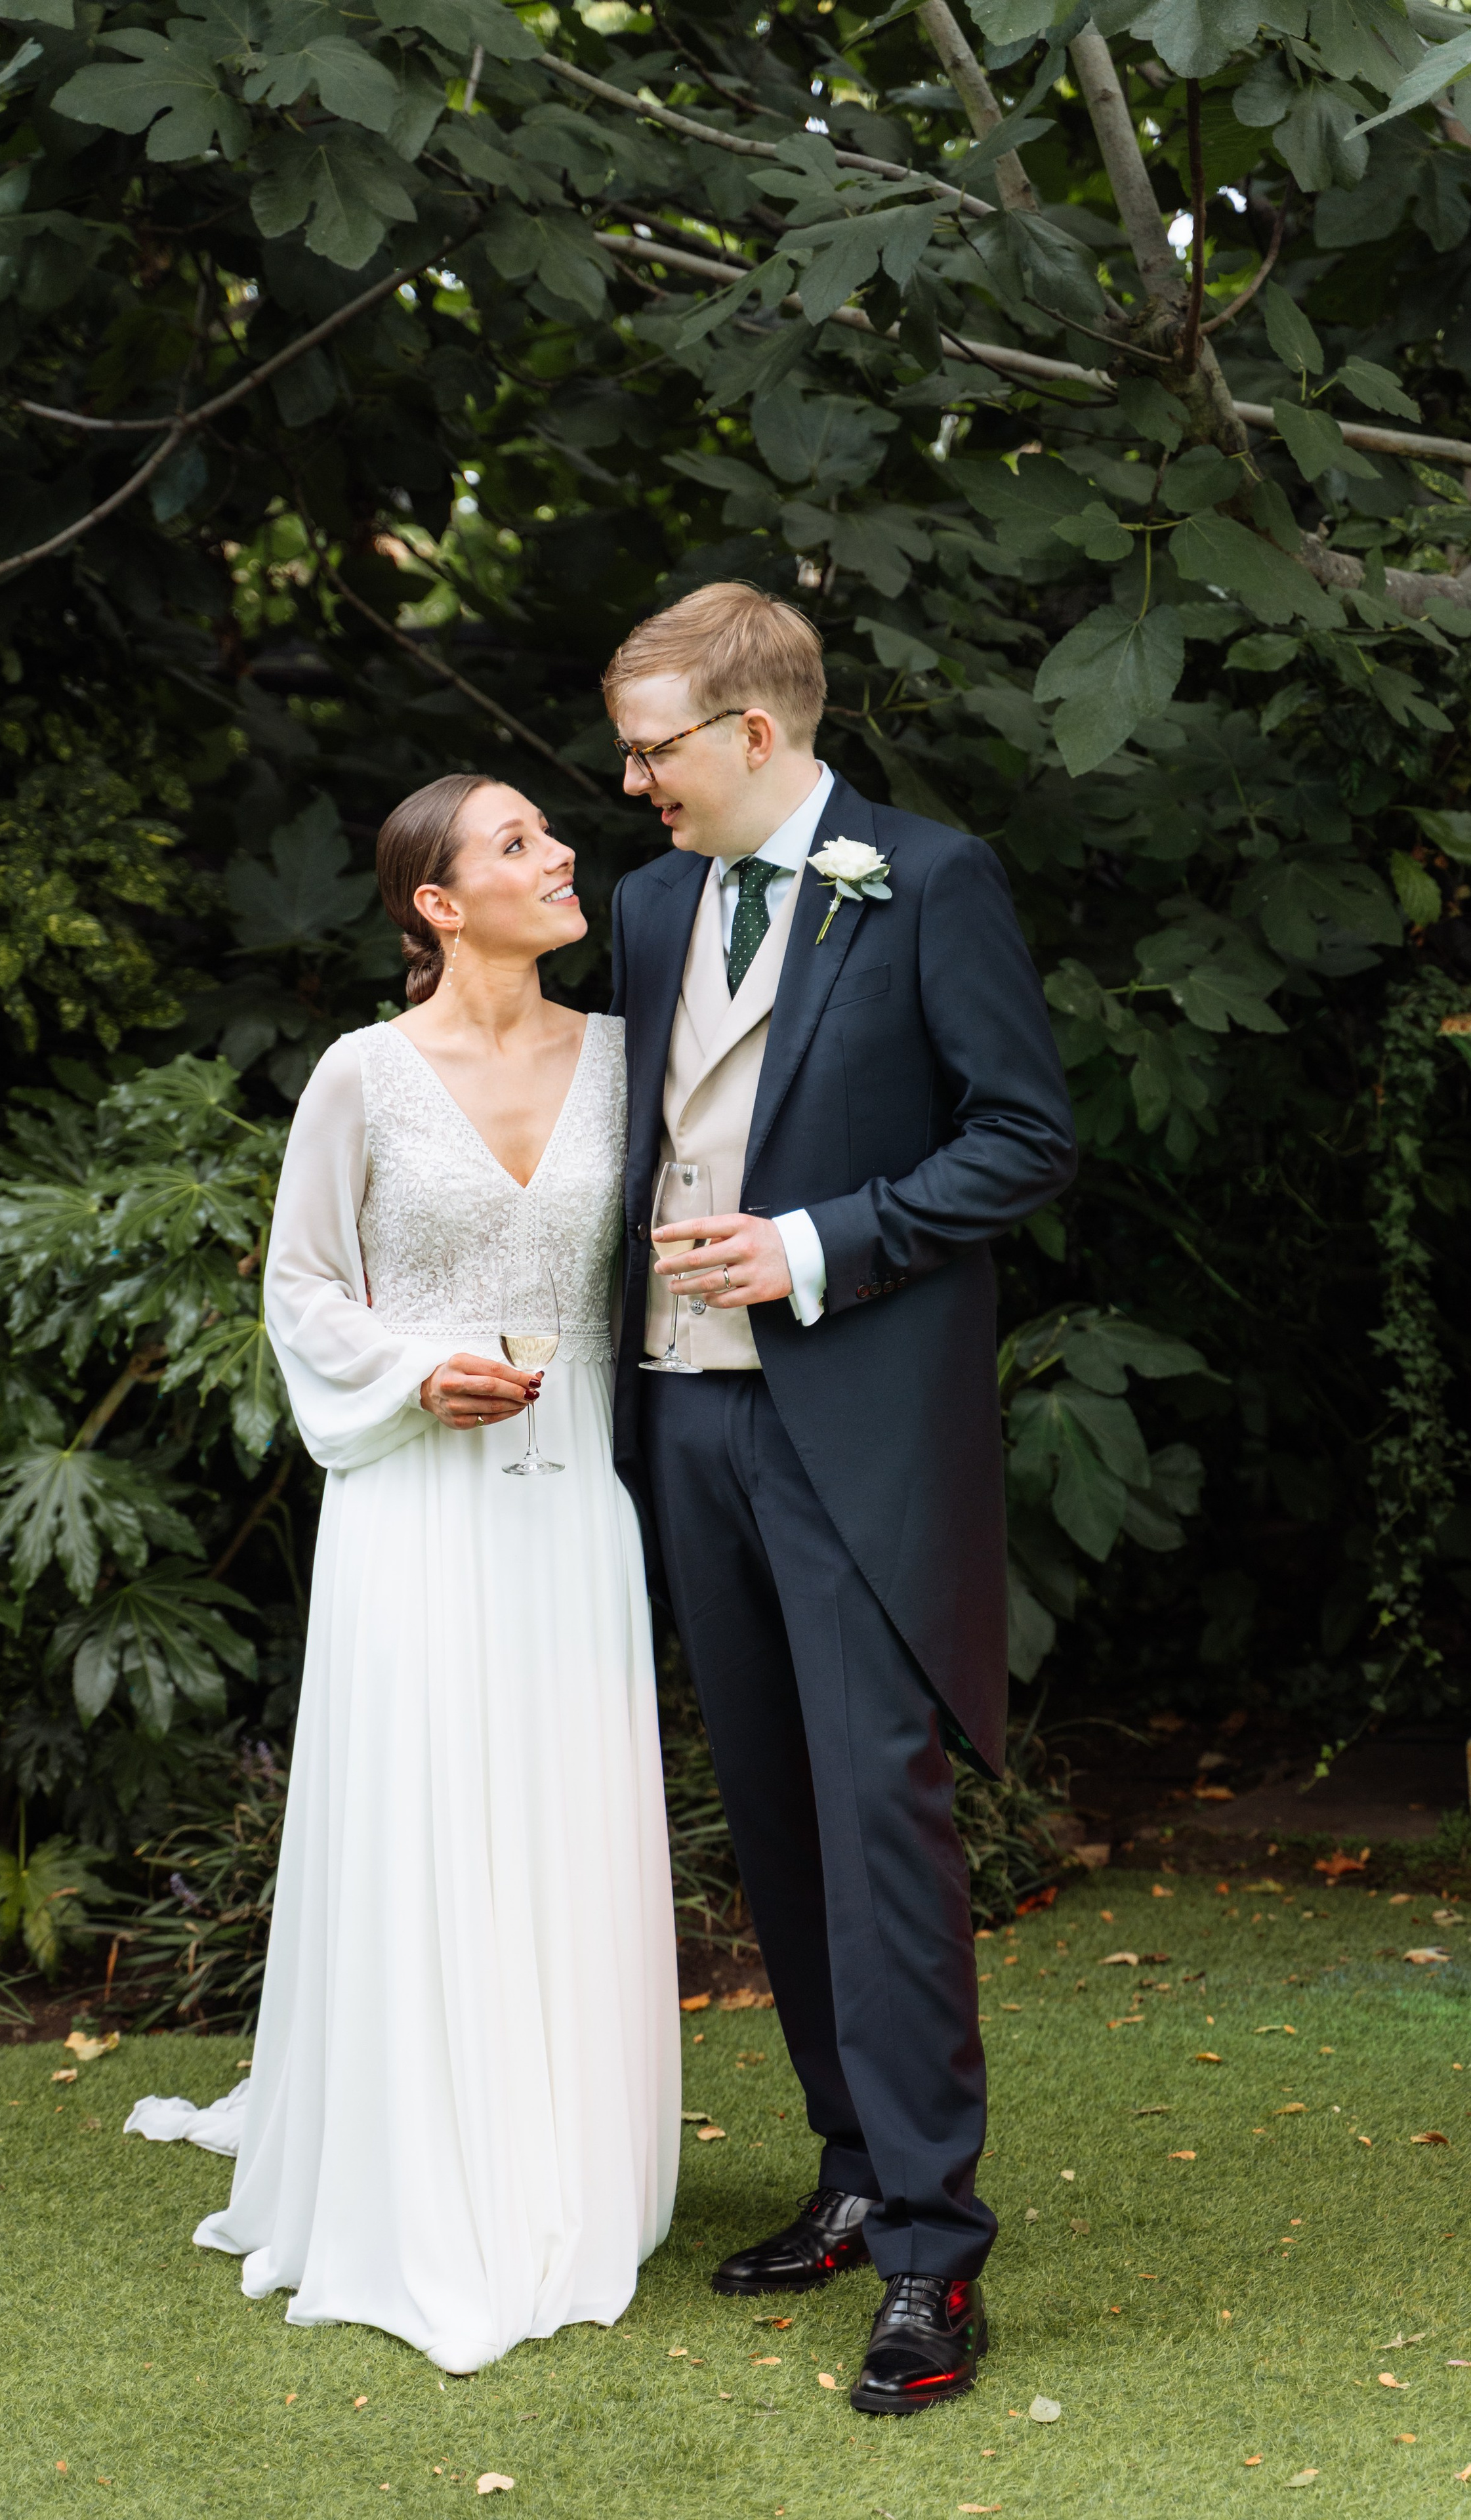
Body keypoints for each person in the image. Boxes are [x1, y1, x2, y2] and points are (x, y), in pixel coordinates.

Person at [135, 774, 679, 2376]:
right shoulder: (361, 1077)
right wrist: (411, 1376)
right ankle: (418, 2164)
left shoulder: (629, 1062)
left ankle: (575, 2160)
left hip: (574, 1488)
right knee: (430, 1797)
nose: (557, 852)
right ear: (436, 904)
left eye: (547, 832)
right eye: (513, 844)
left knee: (562, 1800)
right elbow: (303, 1287)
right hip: (415, 1493)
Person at [605, 582, 1077, 2414]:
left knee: (883, 1818)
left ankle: (933, 2259)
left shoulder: (928, 878)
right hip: (682, 1424)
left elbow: (1025, 1137)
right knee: (777, 1816)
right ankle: (849, 2163)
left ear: (754, 734)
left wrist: (817, 1242)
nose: (633, 783)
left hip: (855, 1425)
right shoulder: (650, 909)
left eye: (654, 748)